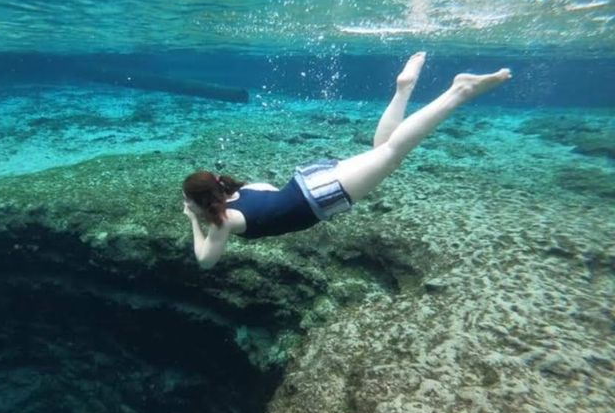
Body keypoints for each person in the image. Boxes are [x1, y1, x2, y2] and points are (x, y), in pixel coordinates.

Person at [182, 52, 511, 269]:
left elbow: (205, 261)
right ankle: (403, 88)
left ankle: (459, 91)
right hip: (311, 179)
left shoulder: (226, 220)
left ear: (202, 201)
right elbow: (271, 197)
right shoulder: (243, 191)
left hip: (319, 195)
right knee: (380, 148)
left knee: (391, 153)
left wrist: (194, 220)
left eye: (189, 201)